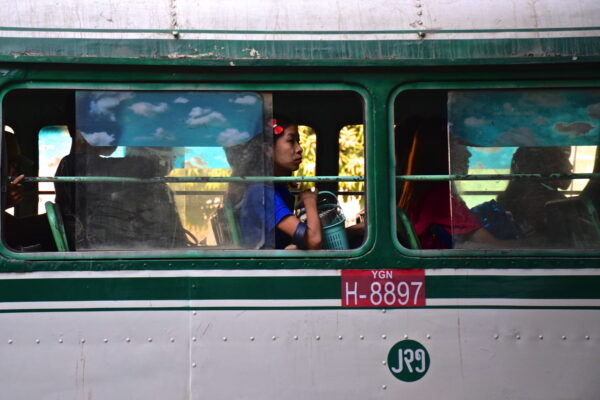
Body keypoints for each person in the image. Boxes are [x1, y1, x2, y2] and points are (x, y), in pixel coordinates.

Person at [396, 117, 502, 249]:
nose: (469, 154)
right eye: (459, 146)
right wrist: (532, 243)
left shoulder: (424, 191)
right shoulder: (440, 197)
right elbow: (493, 247)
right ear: (443, 152)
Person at [235, 117, 322, 249]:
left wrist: (355, 230)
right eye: (291, 141)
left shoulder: (276, 188)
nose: (299, 149)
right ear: (268, 149)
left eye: (298, 141)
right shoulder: (262, 193)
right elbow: (313, 241)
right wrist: (309, 200)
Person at [495, 146, 572, 240]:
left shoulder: (553, 199)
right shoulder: (541, 203)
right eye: (562, 158)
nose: (570, 166)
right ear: (542, 167)